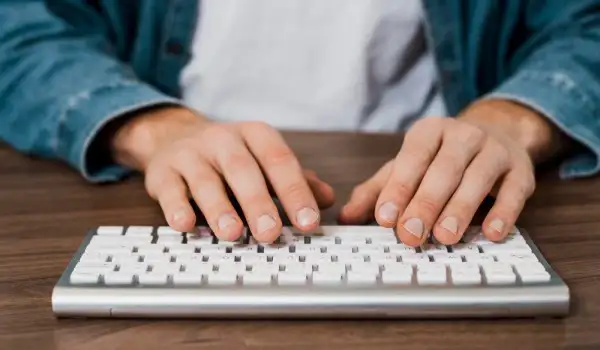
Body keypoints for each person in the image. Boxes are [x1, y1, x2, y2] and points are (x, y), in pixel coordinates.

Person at [0, 1, 598, 248]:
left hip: (437, 190)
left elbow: (584, 25)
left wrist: (512, 119)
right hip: (166, 179)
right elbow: (19, 30)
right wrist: (151, 128)